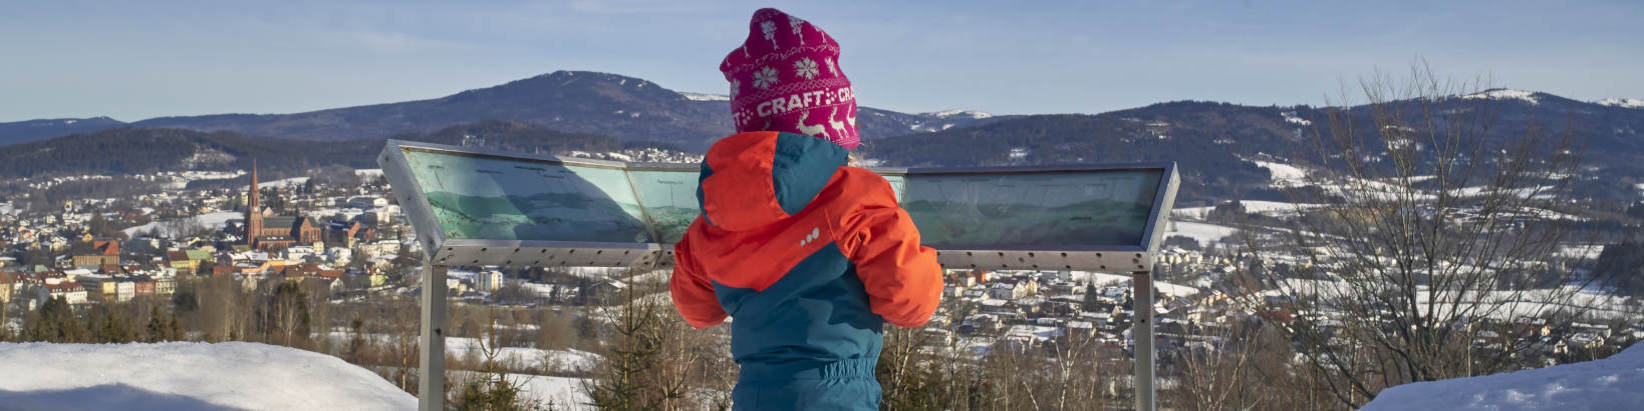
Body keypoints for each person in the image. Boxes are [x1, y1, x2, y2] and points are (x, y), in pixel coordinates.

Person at [669, 8, 944, 410]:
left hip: (754, 393)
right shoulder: (858, 199)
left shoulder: (714, 217)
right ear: (833, 122)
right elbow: (911, 303)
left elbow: (696, 310)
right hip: (837, 391)